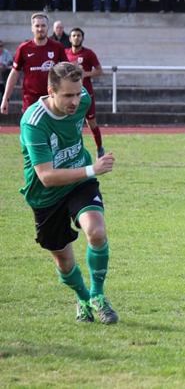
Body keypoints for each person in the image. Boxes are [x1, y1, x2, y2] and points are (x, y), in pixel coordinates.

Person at [19, 62, 119, 325]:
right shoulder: (34, 122)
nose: (76, 101)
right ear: (51, 91)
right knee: (64, 263)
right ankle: (83, 298)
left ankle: (98, 296)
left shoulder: (83, 100)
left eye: (78, 93)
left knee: (96, 231)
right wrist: (92, 169)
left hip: (78, 183)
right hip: (45, 196)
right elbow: (46, 177)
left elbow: (87, 115)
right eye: (67, 95)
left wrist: (88, 169)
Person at [1, 13, 69, 115]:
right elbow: (14, 73)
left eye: (43, 26)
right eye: (37, 26)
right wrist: (5, 98)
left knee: (51, 131)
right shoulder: (24, 48)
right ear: (32, 28)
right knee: (30, 130)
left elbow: (66, 71)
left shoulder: (57, 47)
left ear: (48, 28)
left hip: (52, 98)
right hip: (30, 99)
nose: (40, 29)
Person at [65, 28, 105, 158]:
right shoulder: (65, 54)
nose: (76, 38)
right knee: (70, 123)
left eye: (78, 35)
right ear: (70, 39)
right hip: (70, 94)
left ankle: (99, 148)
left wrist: (86, 74)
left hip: (86, 94)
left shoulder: (88, 54)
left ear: (82, 38)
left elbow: (99, 71)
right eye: (74, 36)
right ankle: (70, 151)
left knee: (91, 122)